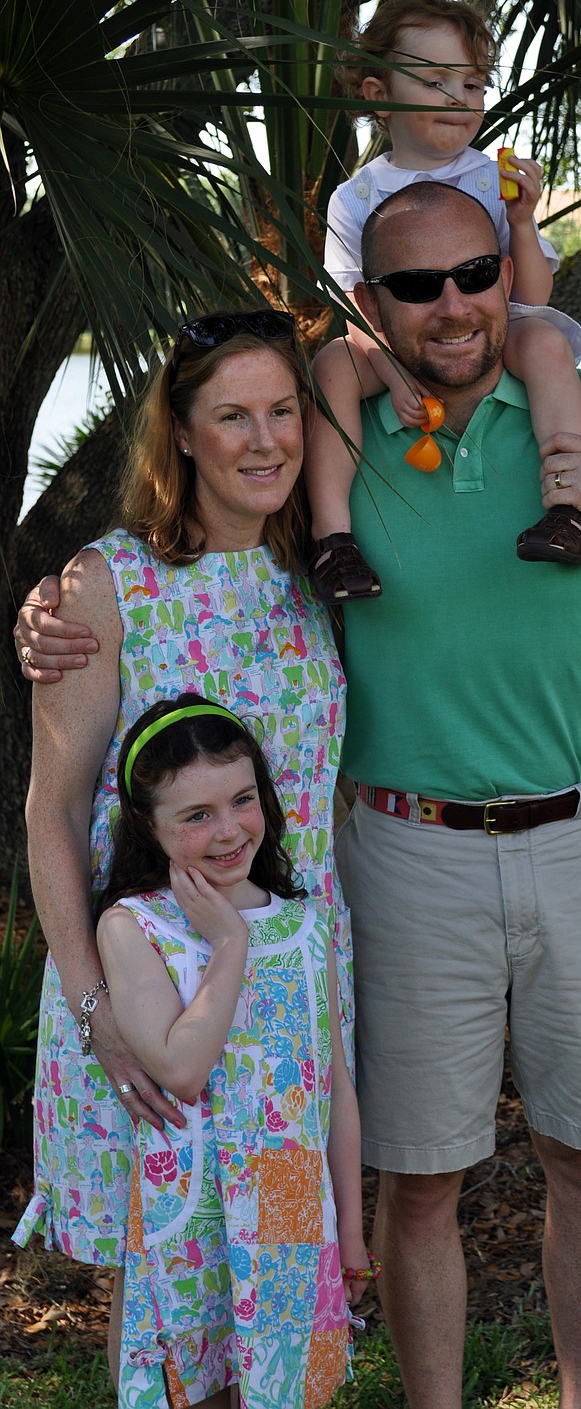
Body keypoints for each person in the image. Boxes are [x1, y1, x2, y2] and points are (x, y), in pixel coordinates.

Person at [16, 184, 581, 1409]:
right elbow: (53, 806)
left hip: (352, 949)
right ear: (371, 307)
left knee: (346, 1249)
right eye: (414, 284)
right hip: (201, 959)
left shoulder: (333, 548)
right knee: (185, 1283)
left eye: (475, 271)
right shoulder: (192, 549)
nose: (451, 301)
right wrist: (46, 604)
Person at [12, 309, 352, 1388]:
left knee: (283, 1274)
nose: (265, 441)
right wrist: (91, 1011)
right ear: (184, 435)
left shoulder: (325, 569)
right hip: (143, 996)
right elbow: (52, 812)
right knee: (164, 1291)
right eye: (232, 415)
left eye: (284, 411)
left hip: (292, 989)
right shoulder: (108, 585)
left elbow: (414, 342)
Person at [93, 693, 370, 1408]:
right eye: (196, 816)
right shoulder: (135, 928)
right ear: (148, 829)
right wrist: (229, 943)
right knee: (197, 1386)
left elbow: (334, 1089)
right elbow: (180, 1069)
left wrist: (351, 1229)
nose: (228, 832)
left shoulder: (306, 926)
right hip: (189, 1211)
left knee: (279, 1385)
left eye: (242, 800)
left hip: (288, 1210)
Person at [307, 0, 581, 603]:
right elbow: (351, 309)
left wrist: (521, 222)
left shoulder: (491, 178)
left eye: (472, 85)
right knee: (334, 364)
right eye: (437, 81)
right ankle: (334, 538)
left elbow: (533, 294)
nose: (459, 99)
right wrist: (390, 371)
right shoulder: (354, 200)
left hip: (490, 330)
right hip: (391, 338)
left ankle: (570, 507)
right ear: (377, 95)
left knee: (544, 340)